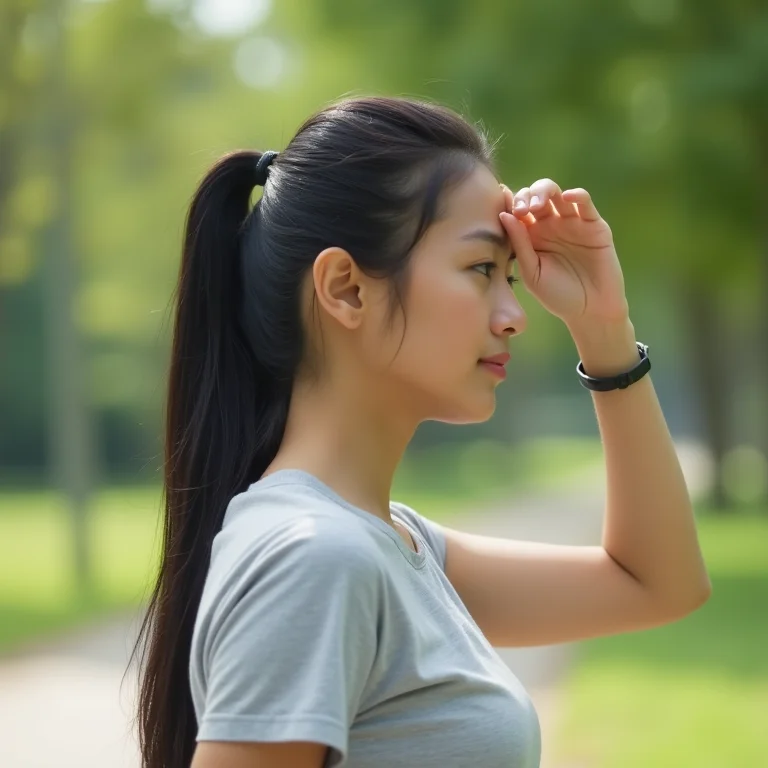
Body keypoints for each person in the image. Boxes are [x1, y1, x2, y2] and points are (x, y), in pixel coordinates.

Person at [129, 95, 711, 768]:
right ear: (346, 288)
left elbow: (658, 583)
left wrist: (605, 328)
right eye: (481, 269)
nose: (515, 314)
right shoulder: (317, 560)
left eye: (511, 275)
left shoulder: (394, 549)